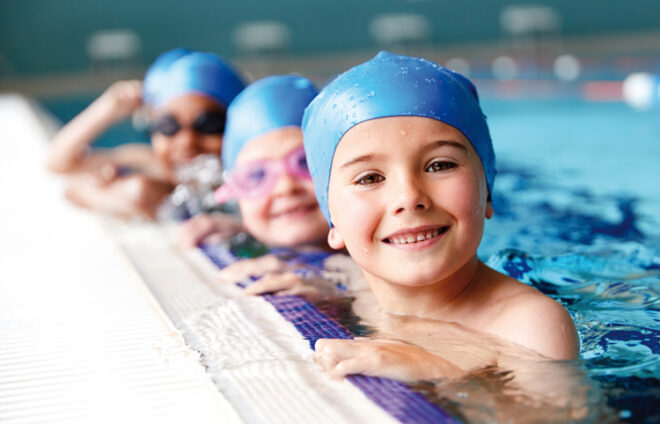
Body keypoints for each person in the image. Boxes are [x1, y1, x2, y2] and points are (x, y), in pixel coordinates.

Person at [301, 51, 580, 382]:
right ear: (333, 222)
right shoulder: (358, 288)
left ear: (487, 193)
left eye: (440, 165)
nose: (409, 197)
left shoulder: (532, 327)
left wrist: (438, 370)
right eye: (370, 178)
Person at [46, 48, 246, 219]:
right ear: (152, 128)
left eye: (209, 125)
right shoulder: (149, 161)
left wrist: (97, 196)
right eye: (168, 126)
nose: (186, 141)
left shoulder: (246, 178)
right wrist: (108, 107)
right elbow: (58, 163)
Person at [208, 75, 337, 299]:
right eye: (257, 175)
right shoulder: (235, 245)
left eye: (305, 162)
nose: (285, 187)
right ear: (233, 193)